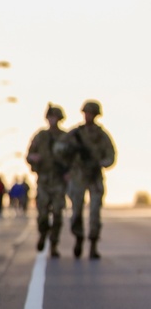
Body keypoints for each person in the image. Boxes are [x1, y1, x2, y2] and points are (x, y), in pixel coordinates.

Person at [55, 100, 116, 259]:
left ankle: (93, 243)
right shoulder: (75, 134)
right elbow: (58, 149)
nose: (88, 116)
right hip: (78, 176)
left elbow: (111, 155)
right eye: (86, 113)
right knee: (76, 211)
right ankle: (79, 237)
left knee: (95, 212)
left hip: (94, 176)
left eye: (90, 113)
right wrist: (70, 154)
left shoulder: (101, 135)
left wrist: (101, 163)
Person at [26, 104, 69, 256]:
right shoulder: (40, 136)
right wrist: (34, 158)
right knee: (42, 213)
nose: (52, 120)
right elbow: (29, 154)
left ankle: (54, 244)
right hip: (44, 180)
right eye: (50, 117)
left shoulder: (66, 137)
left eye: (55, 117)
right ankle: (43, 234)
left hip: (58, 181)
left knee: (57, 214)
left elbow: (73, 158)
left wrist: (69, 173)